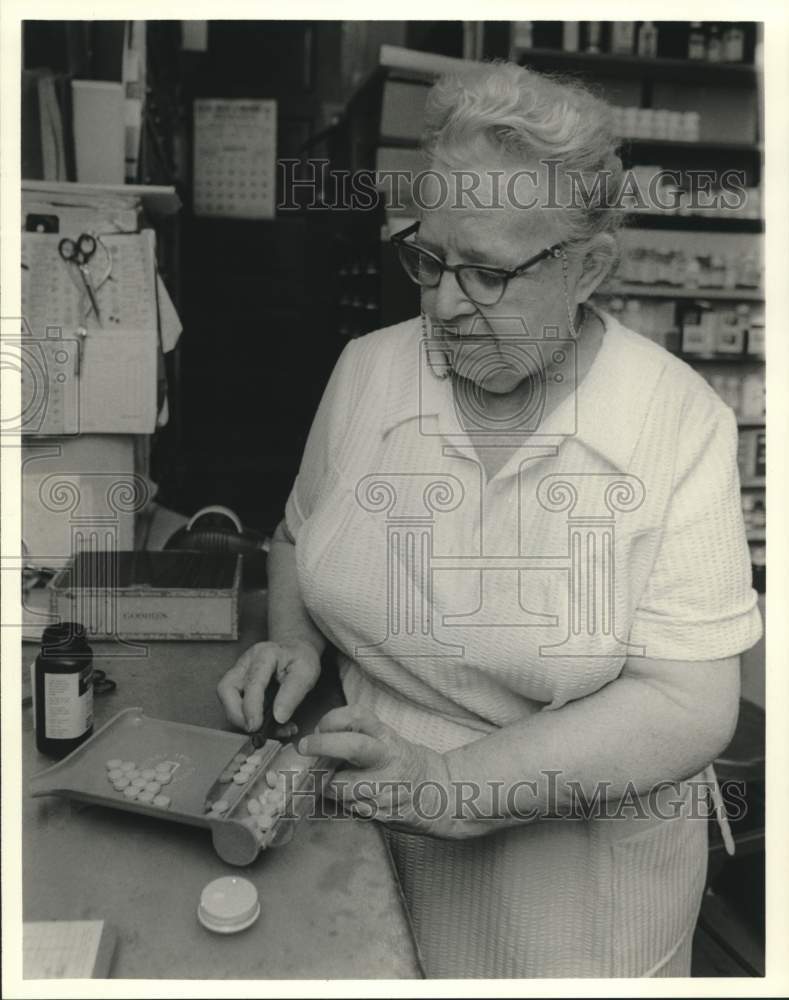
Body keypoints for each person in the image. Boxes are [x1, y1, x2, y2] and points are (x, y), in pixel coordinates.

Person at [218, 61, 762, 977]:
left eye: (486, 273)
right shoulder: (368, 370)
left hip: (570, 894)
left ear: (587, 267)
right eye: (426, 258)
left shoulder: (674, 420)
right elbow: (299, 532)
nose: (440, 303)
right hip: (366, 839)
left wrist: (449, 790)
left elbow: (687, 703)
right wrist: (294, 637)